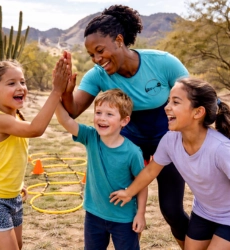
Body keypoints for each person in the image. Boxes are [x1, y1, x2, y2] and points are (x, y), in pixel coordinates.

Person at [59, 4, 190, 248]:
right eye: (91, 55)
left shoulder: (163, 63)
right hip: (130, 140)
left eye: (100, 51)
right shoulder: (98, 75)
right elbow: (74, 109)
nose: (97, 60)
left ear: (119, 40)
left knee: (172, 211)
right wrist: (65, 91)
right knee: (126, 207)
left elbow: (193, 98)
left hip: (168, 138)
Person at [110, 77, 230, 250]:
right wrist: (129, 192)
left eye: (175, 102)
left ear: (197, 112)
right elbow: (151, 171)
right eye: (168, 101)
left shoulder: (221, 149)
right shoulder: (170, 140)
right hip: (204, 213)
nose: (166, 107)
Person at [0, 58, 69, 250]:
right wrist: (56, 91)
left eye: (22, 81)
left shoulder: (16, 116)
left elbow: (9, 158)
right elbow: (36, 129)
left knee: (18, 246)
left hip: (12, 196)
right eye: (11, 83)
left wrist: (18, 184)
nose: (20, 87)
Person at [55, 88, 148, 250]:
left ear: (124, 121)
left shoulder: (133, 152)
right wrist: (56, 92)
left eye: (109, 114)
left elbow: (142, 184)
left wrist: (140, 214)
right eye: (98, 112)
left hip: (123, 218)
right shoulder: (90, 137)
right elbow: (64, 120)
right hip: (93, 215)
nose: (102, 118)